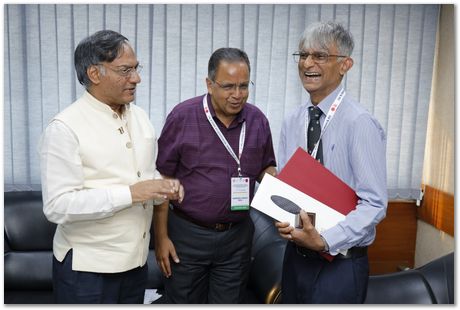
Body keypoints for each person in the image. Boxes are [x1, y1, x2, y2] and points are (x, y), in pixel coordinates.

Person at [39, 30, 184, 304]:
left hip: (135, 265)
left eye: (136, 68)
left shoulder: (140, 116)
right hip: (87, 271)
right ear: (95, 74)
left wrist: (163, 187)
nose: (137, 78)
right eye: (125, 70)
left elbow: (144, 173)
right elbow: (57, 205)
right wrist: (132, 193)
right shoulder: (64, 128)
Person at [276, 21, 388, 303]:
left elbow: (374, 203)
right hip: (296, 258)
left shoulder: (359, 123)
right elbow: (290, 185)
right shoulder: (292, 120)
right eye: (303, 55)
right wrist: (283, 217)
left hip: (340, 263)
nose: (307, 63)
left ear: (345, 65)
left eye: (320, 56)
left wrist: (325, 241)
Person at [154, 47, 277, 303]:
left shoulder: (257, 121)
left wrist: (290, 195)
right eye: (228, 86)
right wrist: (161, 237)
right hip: (188, 235)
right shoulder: (182, 117)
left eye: (244, 86)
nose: (237, 95)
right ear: (209, 84)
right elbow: (162, 180)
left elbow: (267, 168)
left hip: (237, 238)